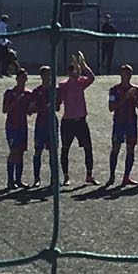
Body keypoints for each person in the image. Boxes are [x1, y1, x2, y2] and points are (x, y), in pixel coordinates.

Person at [58, 51, 97, 185]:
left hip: (81, 121)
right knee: (65, 148)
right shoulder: (64, 84)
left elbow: (92, 78)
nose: (78, 73)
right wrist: (75, 71)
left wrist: (83, 64)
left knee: (88, 148)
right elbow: (63, 92)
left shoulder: (82, 83)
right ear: (70, 73)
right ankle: (66, 176)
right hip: (68, 122)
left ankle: (89, 175)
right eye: (75, 70)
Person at [106, 64, 138, 186]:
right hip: (119, 121)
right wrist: (125, 97)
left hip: (131, 122)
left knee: (131, 149)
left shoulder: (136, 90)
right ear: (120, 74)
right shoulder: (114, 89)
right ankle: (112, 176)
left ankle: (126, 177)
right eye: (125, 74)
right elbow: (111, 107)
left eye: (129, 74)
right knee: (116, 148)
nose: (127, 76)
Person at [1, 68, 34, 189]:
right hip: (12, 125)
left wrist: (32, 107)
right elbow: (5, 110)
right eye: (22, 77)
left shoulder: (28, 94)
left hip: (22, 125)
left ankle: (18, 180)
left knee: (20, 153)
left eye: (25, 77)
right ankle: (10, 180)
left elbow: (30, 111)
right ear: (17, 78)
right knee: (13, 151)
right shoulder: (10, 92)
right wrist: (15, 101)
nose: (24, 79)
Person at [30, 65, 58, 186]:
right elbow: (31, 109)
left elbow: (57, 107)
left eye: (50, 74)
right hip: (41, 123)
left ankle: (54, 178)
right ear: (41, 76)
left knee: (53, 152)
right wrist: (43, 107)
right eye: (46, 74)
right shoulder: (37, 91)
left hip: (52, 123)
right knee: (38, 150)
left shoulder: (54, 90)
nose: (48, 77)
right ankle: (37, 178)